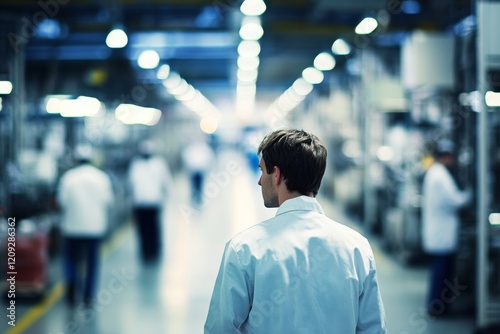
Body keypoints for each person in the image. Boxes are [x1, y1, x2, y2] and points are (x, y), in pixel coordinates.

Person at [204, 129, 387, 333]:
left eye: (263, 171)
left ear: (277, 175)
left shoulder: (245, 249)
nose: (259, 180)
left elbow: (220, 329)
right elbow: (373, 329)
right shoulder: (357, 247)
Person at [57, 145, 114, 306]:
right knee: (92, 262)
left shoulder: (68, 177)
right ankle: (88, 296)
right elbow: (108, 202)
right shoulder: (102, 177)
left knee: (70, 259)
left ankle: (72, 282)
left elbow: (62, 202)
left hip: (72, 227)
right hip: (94, 228)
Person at [422, 139, 471, 316]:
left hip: (440, 231)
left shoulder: (436, 173)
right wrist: (471, 194)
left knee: (441, 271)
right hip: (442, 233)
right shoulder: (440, 176)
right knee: (442, 272)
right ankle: (437, 307)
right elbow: (455, 200)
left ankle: (438, 306)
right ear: (446, 157)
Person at [128, 140, 171, 263]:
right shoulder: (158, 164)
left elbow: (130, 184)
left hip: (144, 203)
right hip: (149, 203)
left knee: (147, 229)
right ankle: (152, 252)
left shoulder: (136, 165)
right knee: (151, 228)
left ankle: (149, 252)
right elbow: (166, 182)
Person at [181, 138, 214, 206]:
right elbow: (185, 158)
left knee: (200, 187)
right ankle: (193, 200)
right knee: (193, 186)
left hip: (201, 171)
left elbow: (209, 158)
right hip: (192, 171)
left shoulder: (204, 148)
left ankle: (199, 200)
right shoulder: (191, 148)